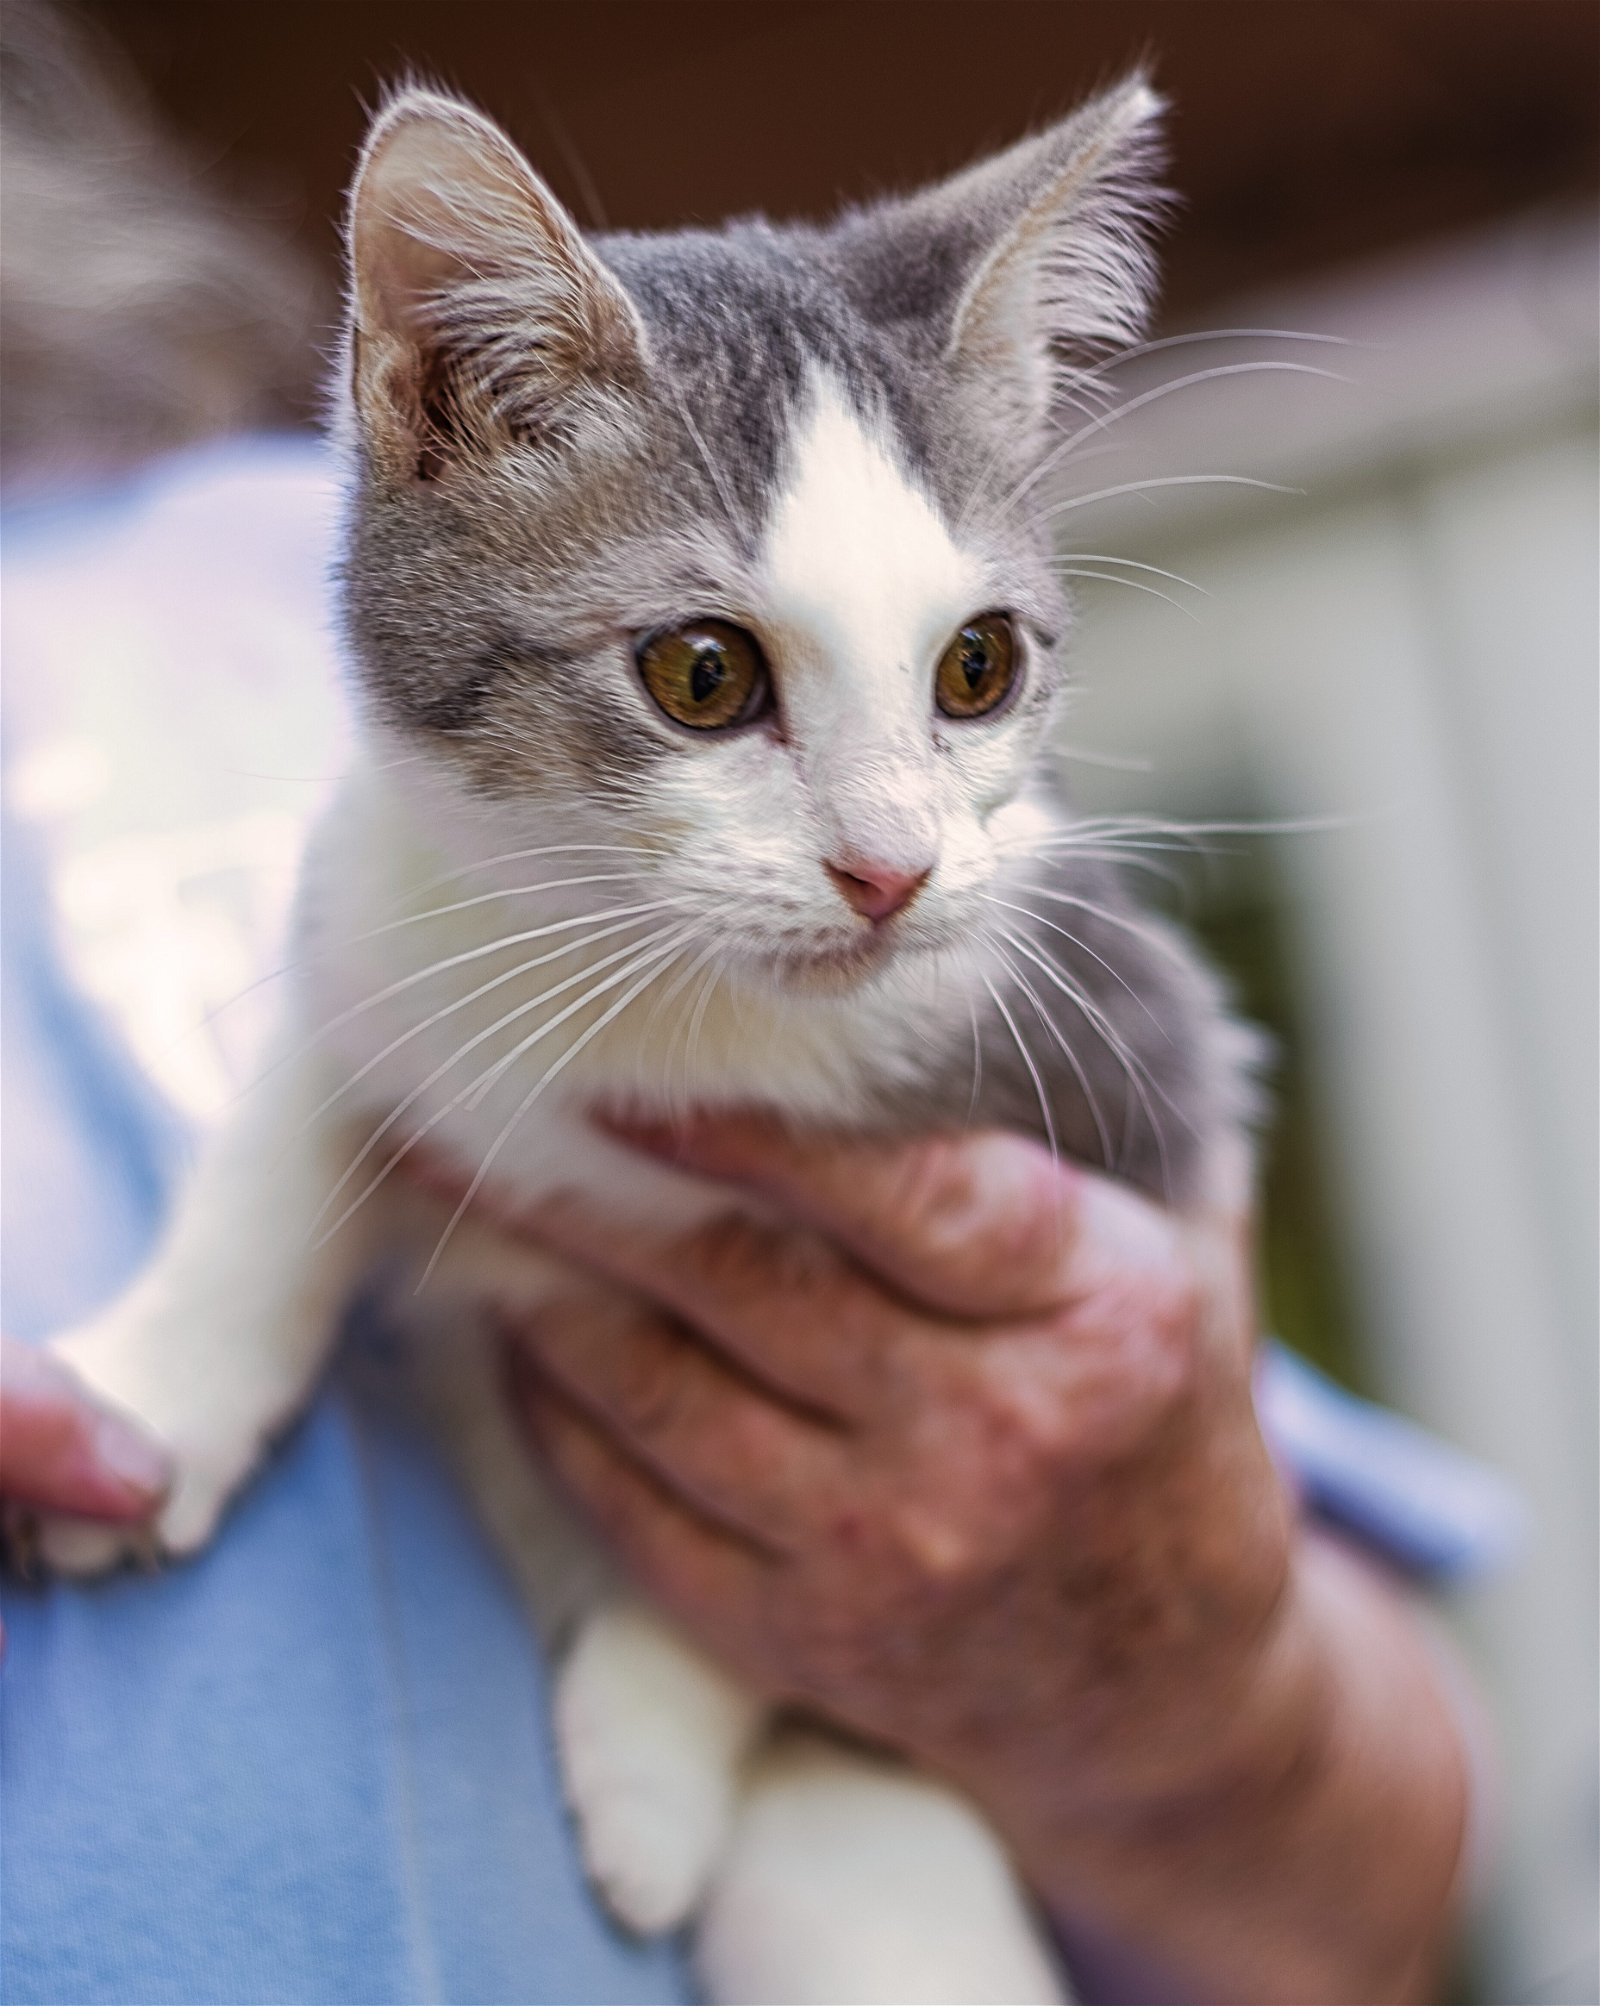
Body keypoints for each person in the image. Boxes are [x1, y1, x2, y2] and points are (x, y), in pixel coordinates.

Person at [1, 437, 1490, 2006]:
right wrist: (207, 1339)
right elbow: (352, 1014)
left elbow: (1385, 1882)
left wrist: (1186, 1697)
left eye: (974, 669)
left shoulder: (267, 531)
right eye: (711, 679)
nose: (890, 859)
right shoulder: (432, 656)